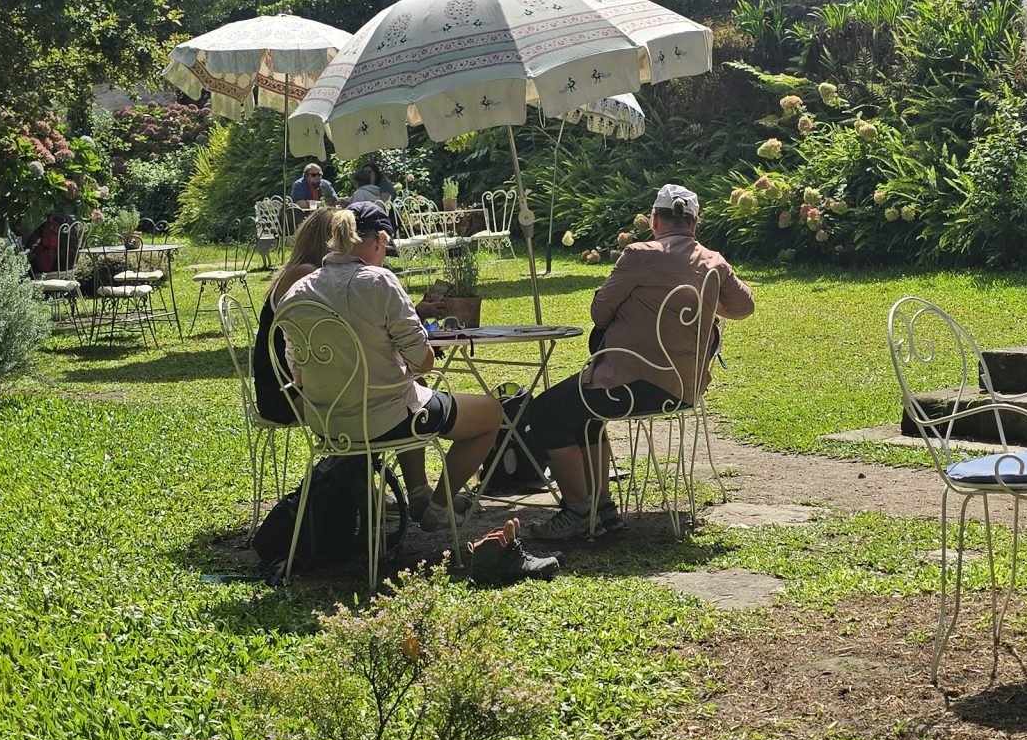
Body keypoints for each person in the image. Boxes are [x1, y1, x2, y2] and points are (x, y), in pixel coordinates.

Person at [528, 183, 754, 537]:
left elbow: (600, 314)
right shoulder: (714, 261)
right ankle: (601, 508)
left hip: (631, 387)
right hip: (682, 389)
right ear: (695, 224)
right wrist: (705, 299)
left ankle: (579, 509)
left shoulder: (639, 254)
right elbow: (744, 307)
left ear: (654, 220)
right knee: (584, 415)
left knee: (544, 412)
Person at [277, 202, 502, 538]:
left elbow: (298, 373)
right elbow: (422, 361)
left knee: (413, 393)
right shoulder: (379, 281)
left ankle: (420, 494)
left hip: (329, 424)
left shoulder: (296, 293)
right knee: (491, 414)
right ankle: (439, 509)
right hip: (385, 420)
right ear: (380, 240)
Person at [252, 207, 335, 421]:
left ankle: (354, 454)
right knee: (382, 396)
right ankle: (350, 454)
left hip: (286, 385)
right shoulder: (307, 273)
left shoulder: (299, 267)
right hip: (286, 395)